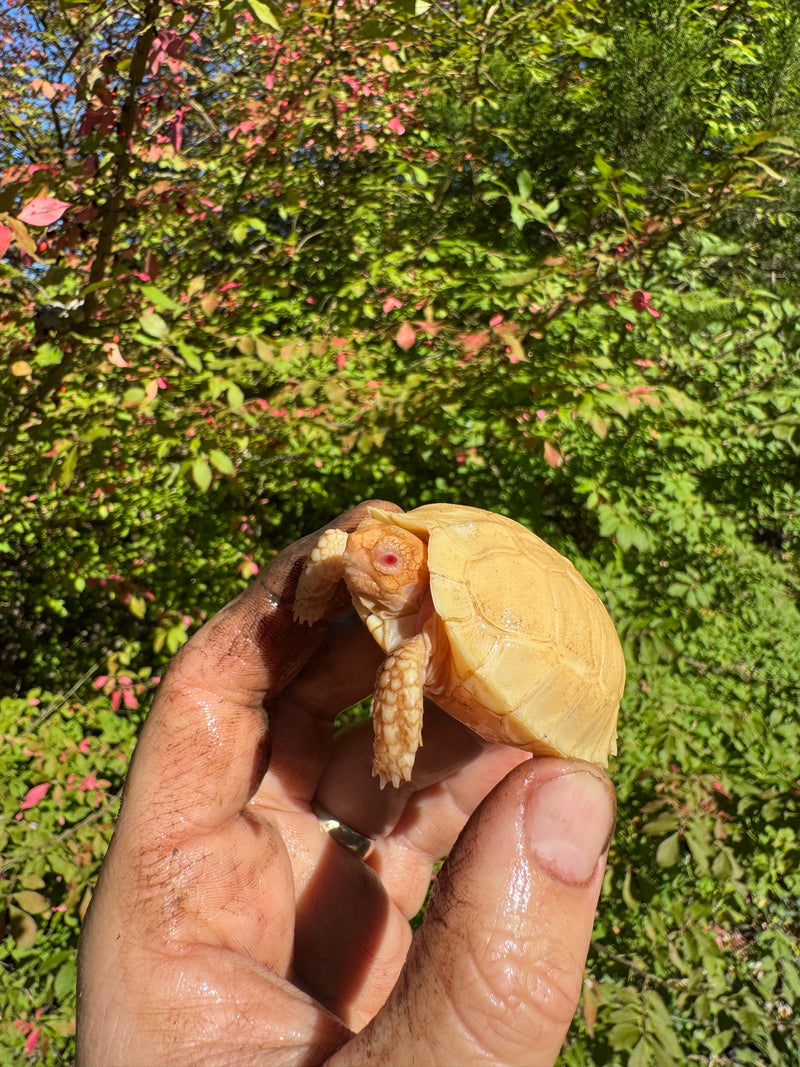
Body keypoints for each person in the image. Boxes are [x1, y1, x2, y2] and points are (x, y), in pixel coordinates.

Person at [76, 501, 616, 1067]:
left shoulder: (420, 646)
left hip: (560, 661)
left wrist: (392, 753)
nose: (363, 560)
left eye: (385, 560)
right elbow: (342, 548)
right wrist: (315, 595)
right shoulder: (377, 562)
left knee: (404, 664)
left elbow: (408, 664)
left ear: (417, 579)